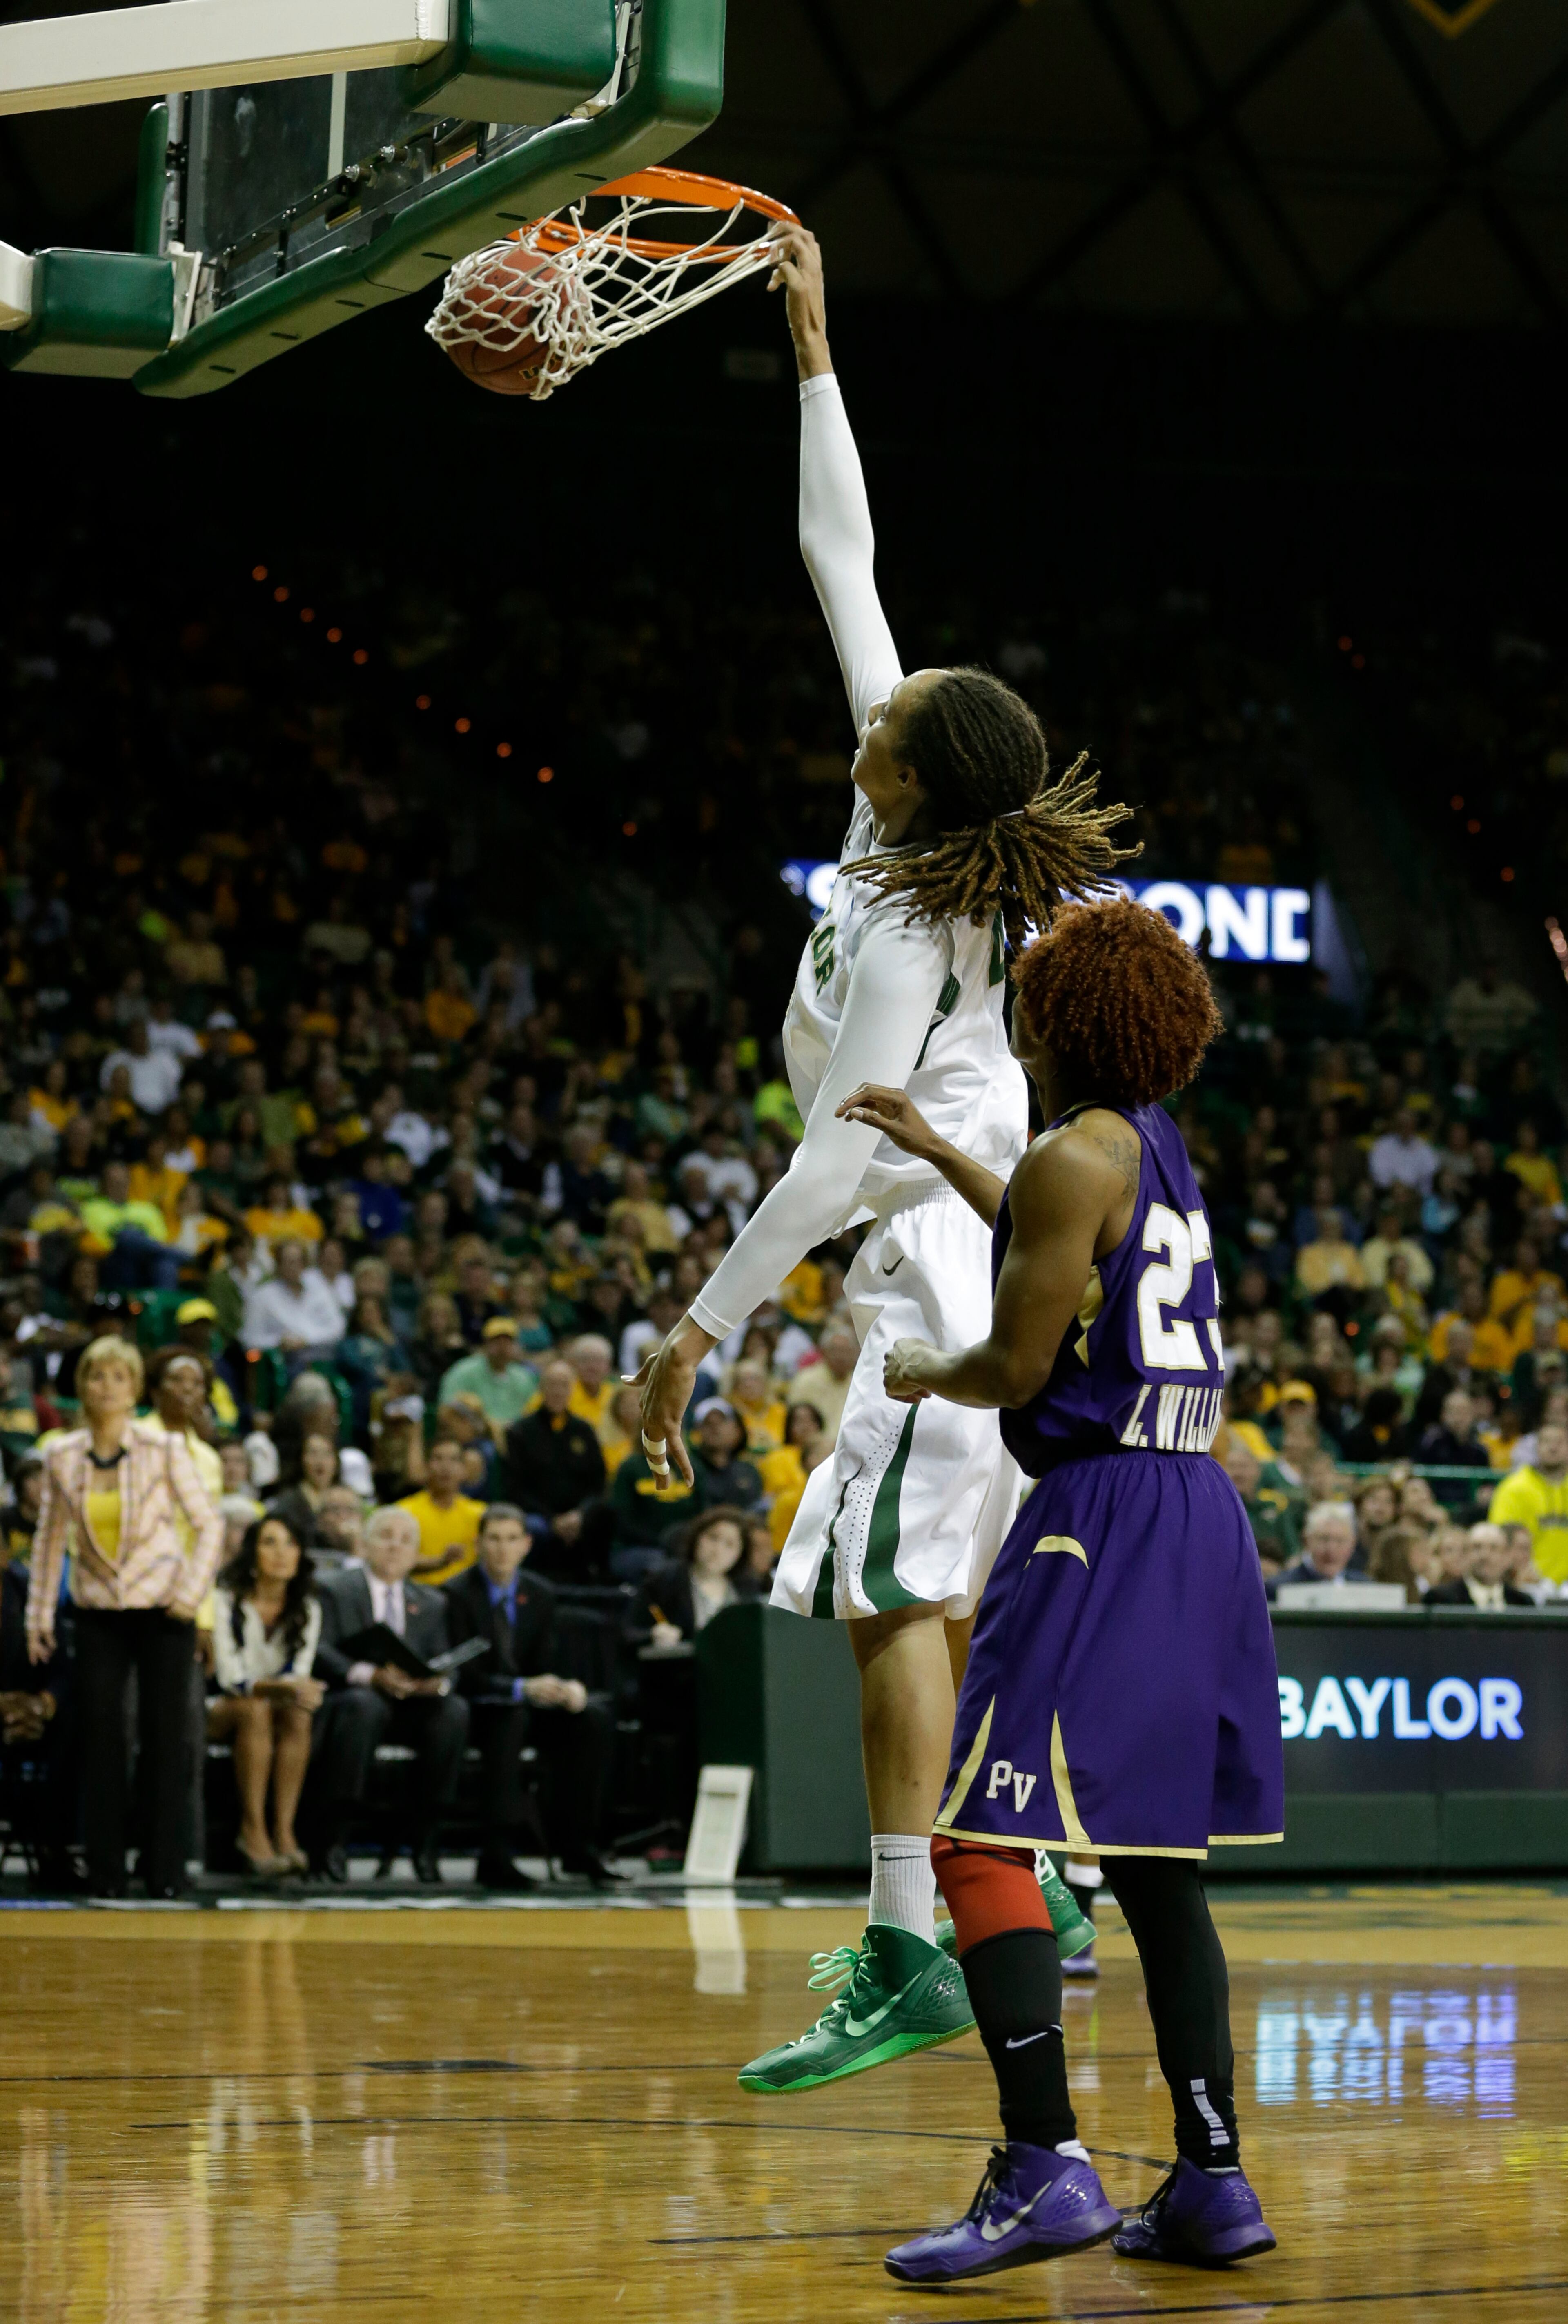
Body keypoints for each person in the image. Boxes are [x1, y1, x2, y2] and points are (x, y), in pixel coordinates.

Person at [639, 221, 1111, 2087]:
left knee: (885, 1598)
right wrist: (818, 358)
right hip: (971, 1260)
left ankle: (914, 1941)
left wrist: (704, 1319)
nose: (875, 703)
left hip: (940, 1272)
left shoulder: (916, 927)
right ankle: (1038, 1880)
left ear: (916, 779)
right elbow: (843, 557)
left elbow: (838, 1168)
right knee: (936, 1597)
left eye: (894, 720)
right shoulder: (904, 824)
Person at [821, 896, 1278, 2282]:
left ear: (1053, 1017)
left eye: (1030, 998)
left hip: (1100, 1519)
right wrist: (944, 1150)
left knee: (973, 1838)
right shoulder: (1150, 1147)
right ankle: (1211, 2184)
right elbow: (1051, 1234)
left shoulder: (1073, 1152)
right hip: (1198, 1508)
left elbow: (1017, 1368)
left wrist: (920, 1373)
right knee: (1155, 1871)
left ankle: (1044, 2166)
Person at [26, 1336, 223, 1898]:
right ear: (82, 1386)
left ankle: (166, 1870)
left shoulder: (163, 1448)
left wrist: (190, 1595)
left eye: (118, 1377)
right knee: (103, 1739)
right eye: (96, 1376)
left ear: (135, 1388)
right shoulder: (62, 1453)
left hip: (165, 1607)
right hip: (98, 1612)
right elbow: (49, 1542)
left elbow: (209, 1524)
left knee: (167, 1740)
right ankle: (107, 1872)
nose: (106, 1386)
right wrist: (38, 1617)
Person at [443, 1503, 620, 1888]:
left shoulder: (540, 1593)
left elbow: (548, 1660)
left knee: (593, 1719)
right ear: (478, 1544)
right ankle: (497, 1854)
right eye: (494, 1539)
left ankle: (581, 1847)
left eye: (511, 1540)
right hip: (479, 1709)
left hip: (529, 1702)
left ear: (526, 1545)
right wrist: (521, 1688)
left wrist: (567, 1688)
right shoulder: (456, 1594)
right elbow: (463, 1673)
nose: (502, 1549)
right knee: (511, 1719)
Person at [312, 1505, 470, 1883]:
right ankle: (335, 1839)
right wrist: (370, 1676)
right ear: (365, 1545)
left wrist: (437, 1682)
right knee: (363, 1706)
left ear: (417, 1554)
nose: (395, 1548)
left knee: (453, 1711)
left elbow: (447, 1660)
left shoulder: (433, 1602)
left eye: (406, 1541)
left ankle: (426, 1841)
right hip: (352, 1699)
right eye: (386, 1537)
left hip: (410, 1704)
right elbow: (318, 1647)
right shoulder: (334, 1589)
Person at [207, 1511, 324, 1873]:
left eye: (291, 1544)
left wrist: (299, 1691)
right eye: (269, 1542)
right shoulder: (224, 1599)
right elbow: (230, 1677)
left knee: (299, 1713)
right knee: (255, 1708)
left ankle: (284, 1830)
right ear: (252, 1553)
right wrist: (286, 1689)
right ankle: (252, 1829)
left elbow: (299, 1673)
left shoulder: (307, 1606)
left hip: (274, 1706)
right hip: (216, 1705)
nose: (281, 1553)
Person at [1487, 1418, 1568, 1587]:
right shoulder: (1513, 1489)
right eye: (1547, 1441)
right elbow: (1500, 1541)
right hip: (1526, 1585)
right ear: (1536, 1447)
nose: (1553, 1448)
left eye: (1560, 1442)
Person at [395, 1437, 487, 1586]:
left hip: (464, 1597)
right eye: (438, 1459)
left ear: (465, 1470)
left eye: (454, 1460)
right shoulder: (405, 1511)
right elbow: (398, 1560)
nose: (446, 1467)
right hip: (420, 1594)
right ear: (426, 1467)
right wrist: (441, 1561)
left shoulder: (479, 1514)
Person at [438, 1317, 539, 1436]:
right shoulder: (463, 1371)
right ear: (486, 1344)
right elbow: (447, 1408)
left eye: (508, 1342)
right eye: (497, 1342)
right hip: (478, 1436)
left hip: (517, 1437)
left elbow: (534, 1412)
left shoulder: (524, 1377)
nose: (503, 1347)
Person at [1425, 1521, 1534, 1609]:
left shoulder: (1523, 1603)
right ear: (1466, 1554)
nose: (1485, 1555)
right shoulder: (1440, 1599)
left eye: (1494, 1548)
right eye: (1477, 1547)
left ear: (1506, 1556)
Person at [1271, 1501, 1359, 1596]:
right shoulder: (1279, 1589)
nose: (1331, 1549)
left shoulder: (1365, 1588)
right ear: (1307, 1541)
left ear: (1352, 1544)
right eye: (1324, 1539)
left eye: (1340, 1541)